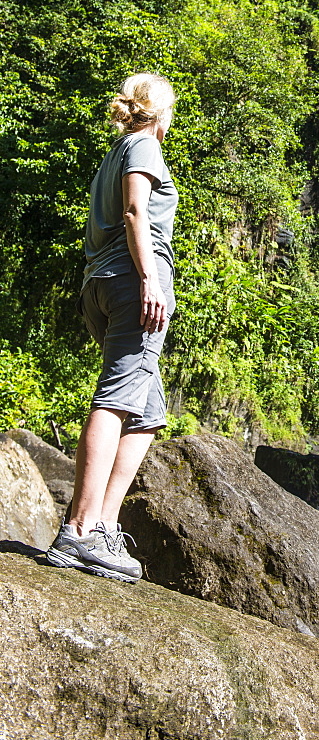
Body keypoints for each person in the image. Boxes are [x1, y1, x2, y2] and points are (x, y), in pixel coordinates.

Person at [46, 73, 178, 583]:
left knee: (146, 410)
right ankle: (79, 529)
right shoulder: (144, 147)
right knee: (118, 398)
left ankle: (103, 523)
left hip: (100, 283)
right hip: (131, 280)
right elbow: (134, 212)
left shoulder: (117, 151)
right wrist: (149, 280)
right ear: (160, 113)